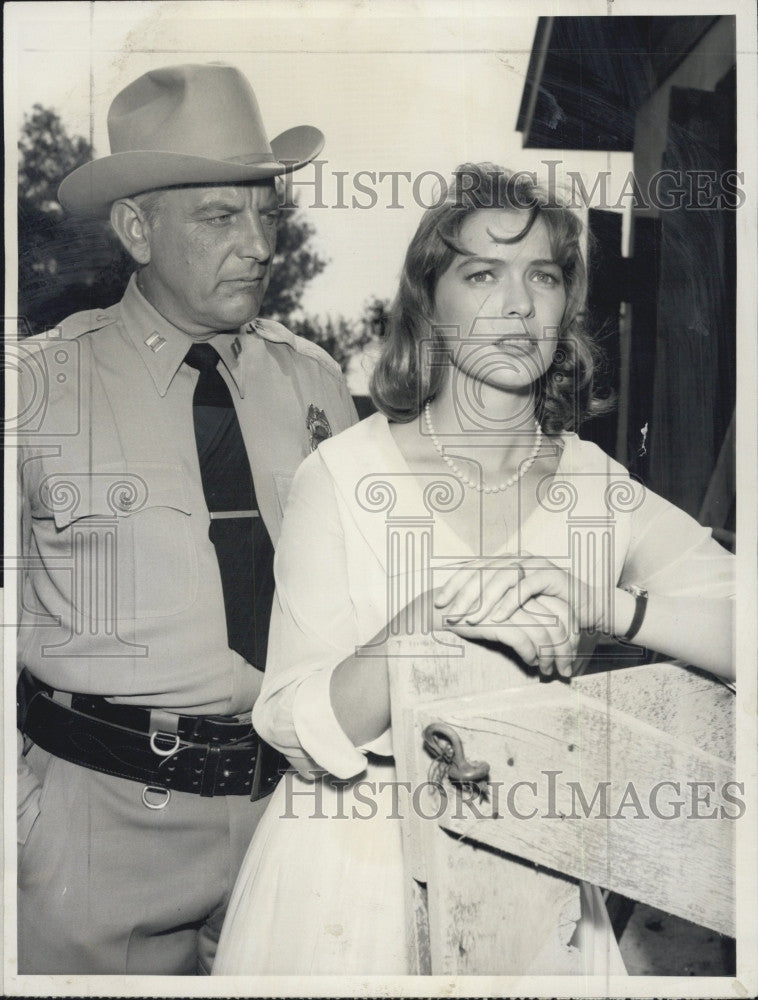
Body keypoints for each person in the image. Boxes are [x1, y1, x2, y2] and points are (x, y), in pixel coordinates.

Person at [211, 162, 735, 976]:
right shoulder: (344, 475)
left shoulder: (598, 487)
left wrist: (612, 607)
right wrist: (425, 624)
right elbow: (292, 726)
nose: (518, 304)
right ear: (430, 301)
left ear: (568, 306)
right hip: (350, 877)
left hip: (540, 874)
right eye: (482, 273)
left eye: (545, 276)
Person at [15, 62, 357, 975]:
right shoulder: (38, 386)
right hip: (102, 836)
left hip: (294, 809)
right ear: (137, 229)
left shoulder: (314, 381)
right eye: (220, 217)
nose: (259, 244)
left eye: (266, 213)